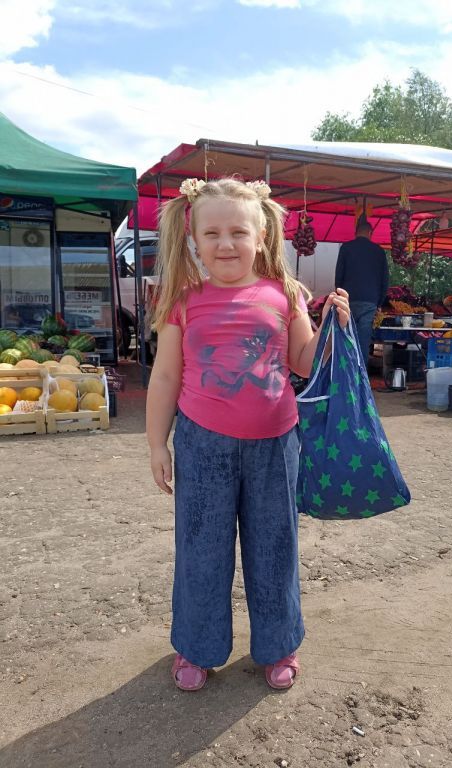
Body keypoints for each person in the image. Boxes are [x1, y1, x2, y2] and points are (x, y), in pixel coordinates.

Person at [146, 176, 350, 692]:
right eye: (211, 233)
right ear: (193, 238)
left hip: (277, 445)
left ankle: (279, 644)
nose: (225, 243)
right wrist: (156, 444)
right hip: (201, 445)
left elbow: (302, 361)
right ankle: (197, 647)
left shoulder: (285, 293)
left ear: (261, 237)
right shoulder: (183, 300)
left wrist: (331, 328)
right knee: (201, 549)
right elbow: (166, 376)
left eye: (238, 231)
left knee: (275, 546)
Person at [335, 215, 389, 366]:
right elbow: (385, 280)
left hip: (348, 300)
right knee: (363, 341)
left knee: (346, 337)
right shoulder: (378, 251)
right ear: (370, 233)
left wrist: (339, 297)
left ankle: (345, 372)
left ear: (356, 232)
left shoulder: (346, 248)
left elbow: (338, 276)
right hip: (369, 302)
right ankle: (361, 374)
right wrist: (379, 302)